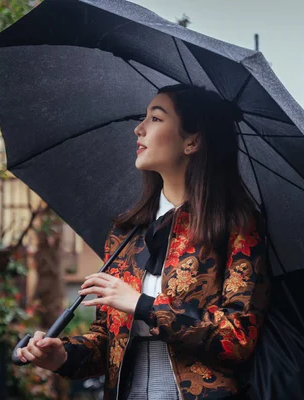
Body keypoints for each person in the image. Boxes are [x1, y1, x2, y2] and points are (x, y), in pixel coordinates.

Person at [16, 83, 271, 399]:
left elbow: (237, 338)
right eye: (144, 118)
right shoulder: (128, 232)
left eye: (156, 118)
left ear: (192, 141)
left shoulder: (235, 225)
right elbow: (107, 340)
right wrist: (62, 355)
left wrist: (143, 305)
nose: (139, 130)